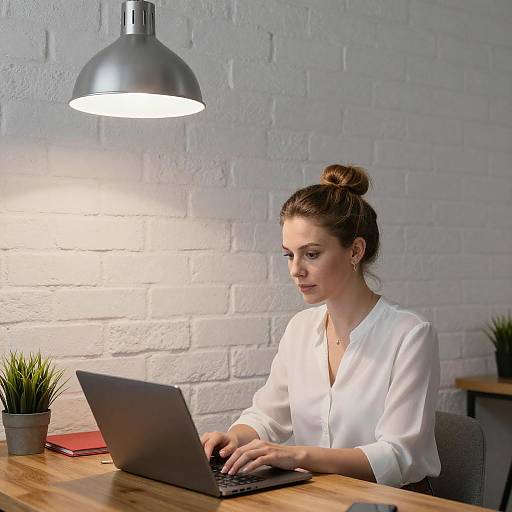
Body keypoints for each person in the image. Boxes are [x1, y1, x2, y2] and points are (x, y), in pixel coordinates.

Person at [200, 164, 441, 495]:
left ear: (355, 250)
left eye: (311, 254)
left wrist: (297, 455)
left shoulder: (410, 335)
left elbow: (399, 456)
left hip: (395, 500)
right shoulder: (301, 328)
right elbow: (267, 414)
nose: (296, 270)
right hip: (322, 497)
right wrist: (235, 438)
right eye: (289, 255)